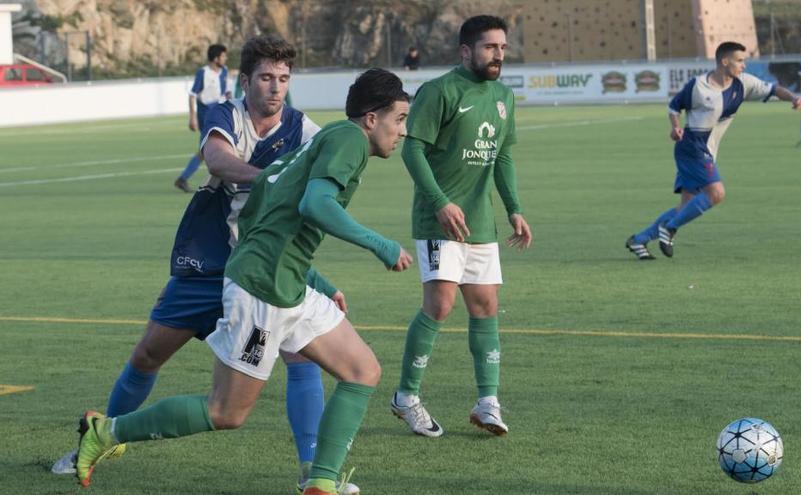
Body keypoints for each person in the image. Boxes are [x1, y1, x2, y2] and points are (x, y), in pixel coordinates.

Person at [74, 68, 412, 495]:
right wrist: (379, 244)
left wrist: (315, 280)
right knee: (226, 412)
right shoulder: (348, 141)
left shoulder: (311, 148)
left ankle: (321, 483)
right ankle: (105, 433)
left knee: (362, 370)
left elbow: (264, 211)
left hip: (285, 284)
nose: (402, 131)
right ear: (370, 119)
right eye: (399, 119)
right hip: (261, 293)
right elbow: (316, 204)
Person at [390, 15, 532, 438]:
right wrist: (439, 202)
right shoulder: (439, 91)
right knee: (440, 305)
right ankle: (406, 397)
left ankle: (487, 402)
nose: (499, 55)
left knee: (485, 307)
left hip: (480, 222)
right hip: (438, 220)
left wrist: (514, 209)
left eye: (503, 48)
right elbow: (412, 150)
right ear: (466, 51)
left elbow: (502, 157)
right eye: (490, 47)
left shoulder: (504, 95)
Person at [626, 41, 801, 260]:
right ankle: (669, 229)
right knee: (716, 193)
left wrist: (794, 98)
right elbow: (674, 107)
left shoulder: (743, 83)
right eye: (740, 61)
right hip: (692, 147)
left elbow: (773, 89)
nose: (744, 66)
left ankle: (639, 240)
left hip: (706, 150)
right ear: (724, 61)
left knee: (687, 205)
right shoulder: (698, 86)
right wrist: (675, 128)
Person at [174, 43, 233, 193]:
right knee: (210, 149)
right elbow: (193, 95)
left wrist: (232, 105)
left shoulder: (224, 71)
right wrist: (192, 117)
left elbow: (226, 92)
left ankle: (183, 179)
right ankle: (220, 182)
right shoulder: (203, 73)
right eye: (223, 56)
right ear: (215, 58)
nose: (226, 58)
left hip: (220, 112)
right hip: (206, 114)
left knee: (208, 150)